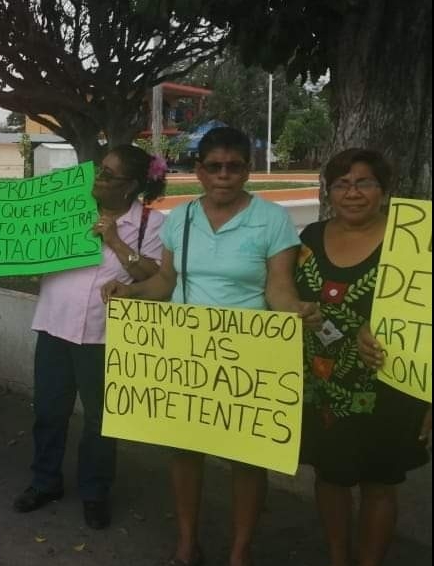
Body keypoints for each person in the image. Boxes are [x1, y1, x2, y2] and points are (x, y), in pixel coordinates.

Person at [101, 127, 321, 566]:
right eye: (214, 166)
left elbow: (278, 288)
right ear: (199, 171)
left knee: (247, 457)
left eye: (234, 166)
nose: (224, 175)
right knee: (185, 452)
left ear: (247, 171)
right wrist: (131, 293)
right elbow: (166, 280)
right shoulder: (180, 218)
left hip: (249, 356)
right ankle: (187, 543)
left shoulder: (272, 220)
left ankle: (240, 550)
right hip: (189, 355)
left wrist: (295, 308)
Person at [12, 144, 168, 530]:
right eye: (100, 169)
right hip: (54, 325)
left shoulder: (151, 223)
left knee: (101, 420)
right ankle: (44, 481)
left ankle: (95, 492)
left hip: (105, 336)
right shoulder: (69, 207)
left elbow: (155, 277)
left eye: (109, 175)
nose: (98, 178)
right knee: (49, 411)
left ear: (131, 186)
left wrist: (115, 240)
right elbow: (16, 229)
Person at [296, 149, 430, 566]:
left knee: (379, 482)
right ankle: (338, 558)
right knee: (329, 475)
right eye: (342, 184)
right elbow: (286, 293)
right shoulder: (310, 239)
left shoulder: (413, 243)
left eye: (365, 182)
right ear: (329, 192)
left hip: (391, 383)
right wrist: (297, 310)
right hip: (322, 383)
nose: (353, 192)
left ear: (384, 191)